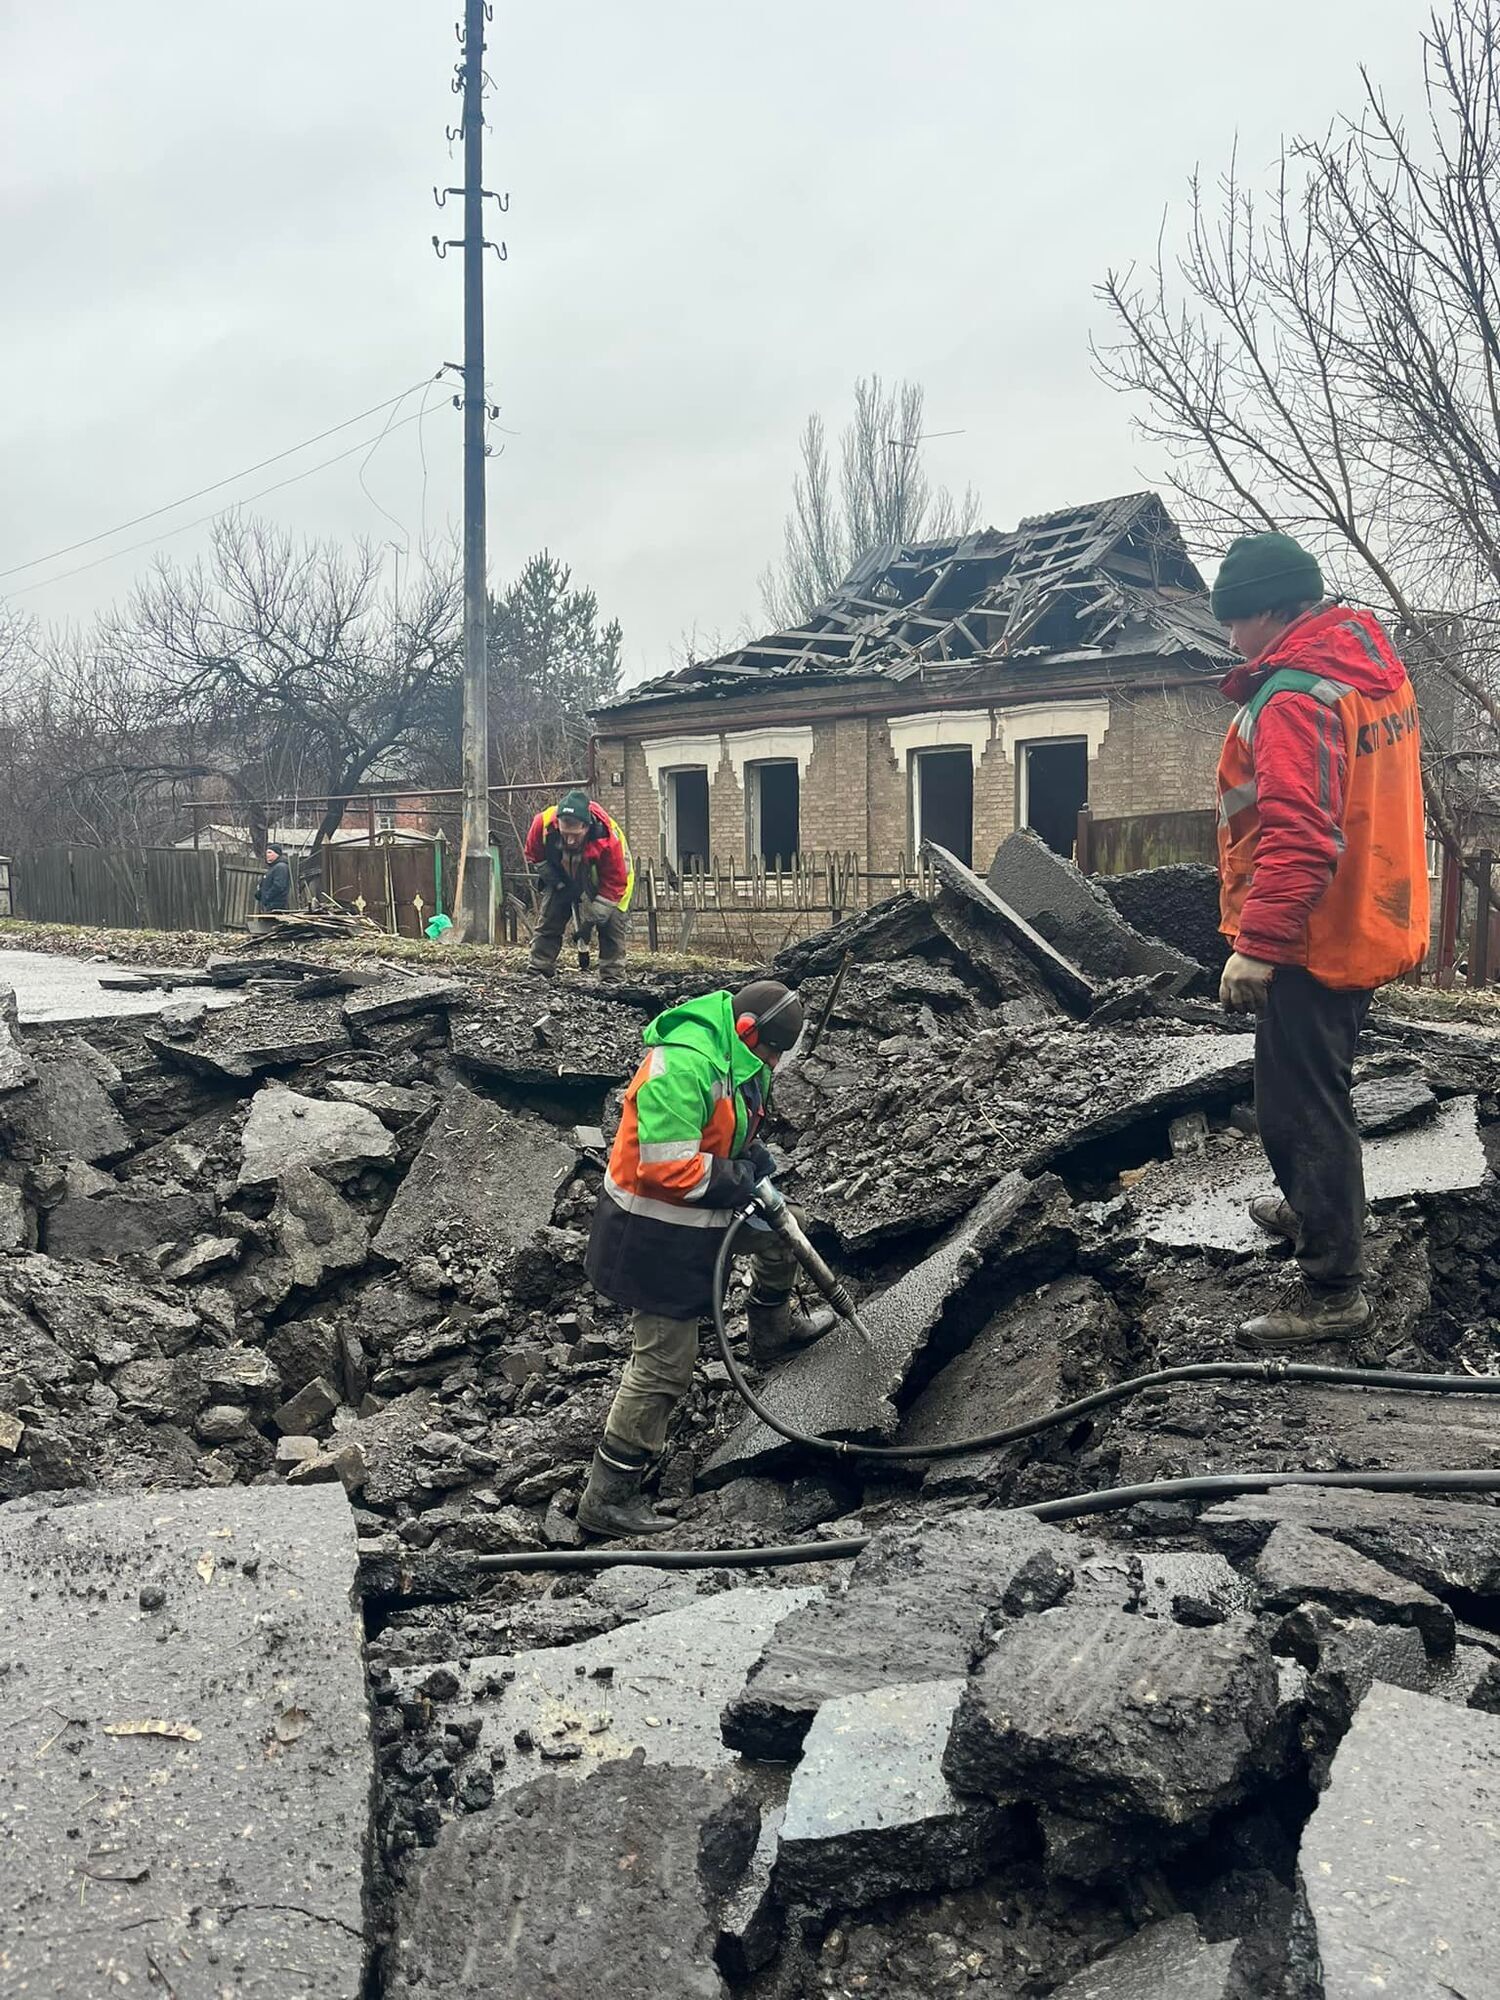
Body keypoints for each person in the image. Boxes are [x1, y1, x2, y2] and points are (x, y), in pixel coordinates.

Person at [1212, 532, 1429, 1350]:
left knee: (1300, 1106)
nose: (1231, 639)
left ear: (1272, 608)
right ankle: (1310, 1211)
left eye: (1236, 621)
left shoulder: (1298, 697)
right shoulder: (1369, 665)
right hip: (1370, 912)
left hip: (1314, 933)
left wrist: (1259, 944)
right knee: (1302, 1084)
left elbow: (1299, 835)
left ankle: (1334, 1288)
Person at [578, 978, 832, 1537]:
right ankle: (608, 1497)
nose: (771, 1063)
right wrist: (741, 1179)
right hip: (650, 1233)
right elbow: (667, 1169)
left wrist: (753, 1159)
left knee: (784, 1235)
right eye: (769, 1051)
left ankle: (772, 1333)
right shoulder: (684, 1064)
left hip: (701, 1212)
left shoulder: (741, 1056)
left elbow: (730, 1129)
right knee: (667, 1364)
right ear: (746, 1031)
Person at [522, 789, 633, 980]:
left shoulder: (607, 837)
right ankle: (538, 970)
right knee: (550, 918)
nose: (570, 840)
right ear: (558, 824)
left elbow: (615, 882)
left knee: (610, 925)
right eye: (566, 834)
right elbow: (536, 856)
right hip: (561, 872)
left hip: (608, 880)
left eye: (576, 834)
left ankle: (612, 978)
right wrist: (557, 884)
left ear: (586, 826)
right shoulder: (542, 823)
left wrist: (590, 921)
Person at [255, 842, 291, 913]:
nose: (267, 855)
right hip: (270, 904)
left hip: (276, 905)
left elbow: (279, 886)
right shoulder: (273, 867)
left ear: (276, 853)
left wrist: (267, 896)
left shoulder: (280, 867)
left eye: (269, 852)